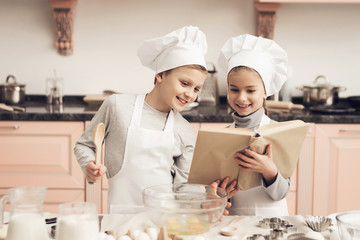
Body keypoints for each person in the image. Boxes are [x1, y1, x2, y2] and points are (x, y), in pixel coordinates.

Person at [74, 26, 208, 211]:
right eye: (184, 83)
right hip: (120, 219)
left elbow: (184, 189)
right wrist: (88, 166)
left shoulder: (184, 130)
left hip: (164, 224)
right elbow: (84, 145)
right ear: (160, 74)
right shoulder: (117, 107)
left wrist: (207, 201)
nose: (190, 94)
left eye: (196, 89)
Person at [216, 33, 290, 216]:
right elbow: (219, 196)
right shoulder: (222, 137)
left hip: (272, 223)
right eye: (234, 89)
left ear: (265, 91)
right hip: (234, 225)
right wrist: (219, 194)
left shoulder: (280, 133)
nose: (241, 97)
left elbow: (281, 193)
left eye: (250, 90)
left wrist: (269, 170)